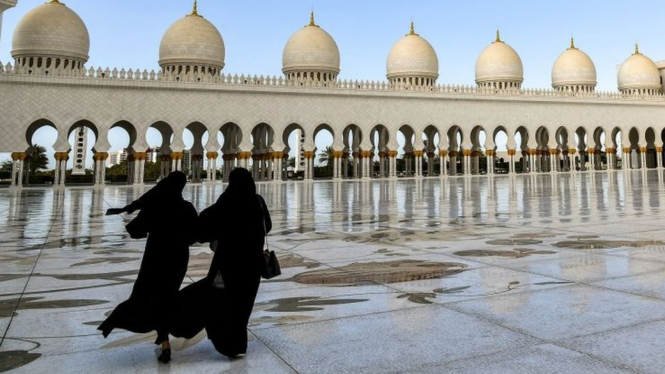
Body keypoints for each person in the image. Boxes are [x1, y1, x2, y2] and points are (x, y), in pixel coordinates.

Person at [98, 171, 198, 364]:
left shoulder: (156, 206)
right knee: (168, 297)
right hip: (177, 260)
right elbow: (195, 235)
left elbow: (135, 231)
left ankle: (163, 339)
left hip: (155, 258)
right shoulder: (186, 208)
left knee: (150, 296)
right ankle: (165, 338)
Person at [174, 167, 271, 359]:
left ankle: (228, 343)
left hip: (228, 265)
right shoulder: (257, 201)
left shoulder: (227, 201)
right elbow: (267, 225)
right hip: (253, 265)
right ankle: (238, 344)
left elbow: (204, 228)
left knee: (222, 300)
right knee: (243, 302)